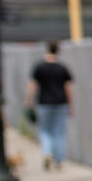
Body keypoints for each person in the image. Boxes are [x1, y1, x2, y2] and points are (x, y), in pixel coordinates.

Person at [28, 42, 74, 171]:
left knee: (45, 131)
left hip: (44, 103)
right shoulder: (62, 68)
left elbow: (32, 85)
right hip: (61, 103)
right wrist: (71, 105)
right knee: (59, 132)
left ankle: (47, 152)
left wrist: (29, 101)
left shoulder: (40, 67)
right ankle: (59, 160)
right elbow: (68, 88)